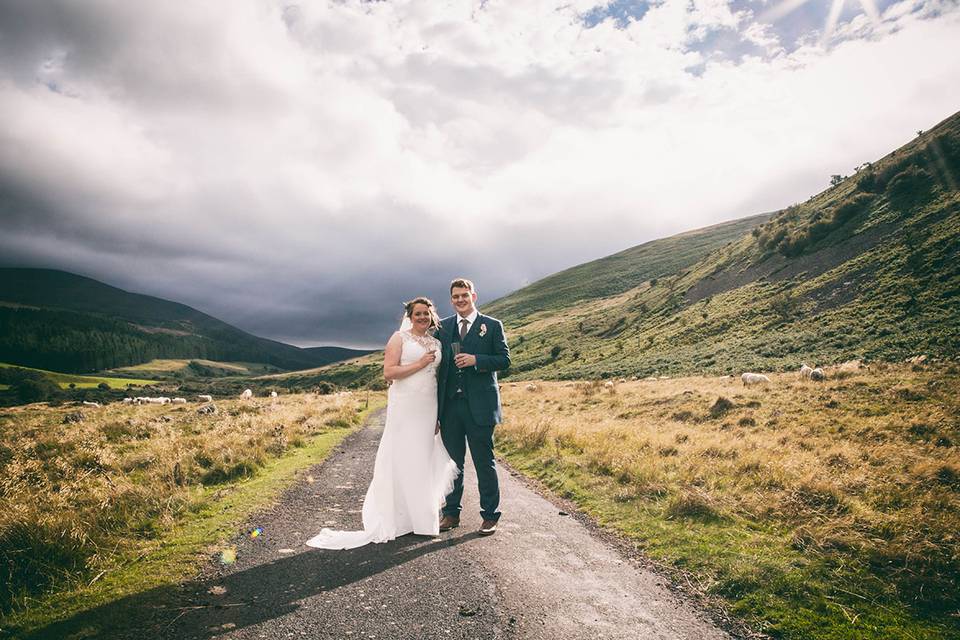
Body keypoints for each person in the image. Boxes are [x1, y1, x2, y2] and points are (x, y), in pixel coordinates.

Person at [305, 297, 458, 549]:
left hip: (428, 407)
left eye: (426, 313)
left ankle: (421, 520)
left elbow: (438, 378)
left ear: (432, 316)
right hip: (405, 405)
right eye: (418, 313)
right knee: (401, 457)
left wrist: (438, 415)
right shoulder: (399, 339)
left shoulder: (436, 342)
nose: (422, 317)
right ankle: (396, 519)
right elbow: (389, 372)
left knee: (422, 458)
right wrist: (420, 363)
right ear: (410, 316)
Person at [435, 278, 511, 536]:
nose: (460, 300)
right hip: (450, 408)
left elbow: (504, 359)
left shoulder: (492, 326)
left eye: (464, 295)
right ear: (451, 299)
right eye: (455, 296)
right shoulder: (442, 328)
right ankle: (451, 514)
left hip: (480, 407)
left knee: (484, 462)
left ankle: (490, 516)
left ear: (473, 296)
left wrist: (476, 360)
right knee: (453, 464)